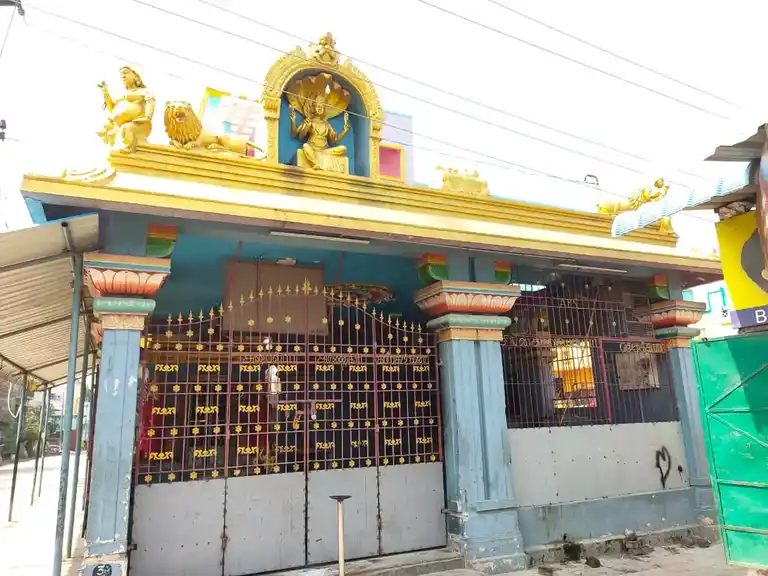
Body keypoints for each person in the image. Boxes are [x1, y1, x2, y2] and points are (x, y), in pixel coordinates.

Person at [97, 66, 155, 153]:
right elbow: (111, 108)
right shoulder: (122, 94)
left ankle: (129, 148)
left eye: (126, 73)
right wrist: (105, 92)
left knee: (125, 129)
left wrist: (147, 117)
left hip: (139, 124)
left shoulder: (144, 91)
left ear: (135, 76)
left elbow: (151, 102)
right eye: (121, 74)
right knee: (104, 132)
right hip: (117, 125)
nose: (123, 76)